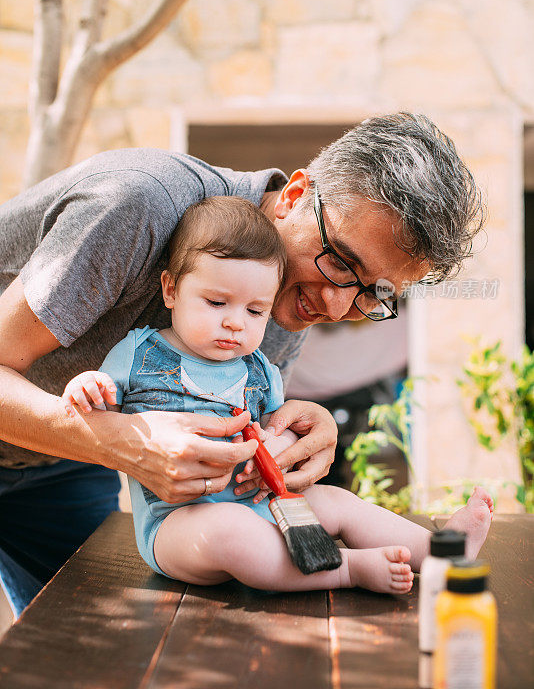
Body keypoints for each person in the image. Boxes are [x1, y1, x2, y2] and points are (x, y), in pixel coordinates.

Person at [0, 112, 485, 613]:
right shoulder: (137, 206)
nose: (337, 308)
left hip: (57, 461)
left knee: (86, 651)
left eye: (374, 293)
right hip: (57, 433)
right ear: (295, 195)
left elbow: (247, 429)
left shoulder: (280, 295)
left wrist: (293, 435)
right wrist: (125, 442)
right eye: (341, 261)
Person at [62, 197, 493, 593]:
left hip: (263, 504)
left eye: (254, 311)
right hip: (180, 526)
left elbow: (279, 428)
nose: (236, 323)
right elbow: (103, 403)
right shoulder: (139, 352)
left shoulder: (259, 369)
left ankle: (439, 549)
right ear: (171, 290)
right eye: (216, 303)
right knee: (232, 531)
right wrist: (88, 387)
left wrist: (279, 443)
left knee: (336, 502)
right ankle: (344, 569)